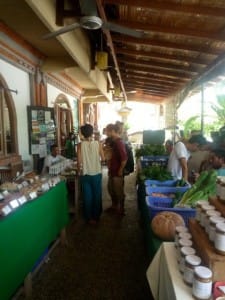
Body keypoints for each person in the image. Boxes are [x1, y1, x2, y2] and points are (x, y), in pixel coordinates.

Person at [77, 124, 105, 225]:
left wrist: (78, 170)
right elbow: (103, 159)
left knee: (87, 196)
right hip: (96, 173)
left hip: (85, 175)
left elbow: (79, 162)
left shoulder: (79, 145)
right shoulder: (98, 144)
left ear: (82, 133)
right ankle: (96, 217)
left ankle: (89, 218)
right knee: (97, 195)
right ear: (92, 132)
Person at [105, 123, 128, 216]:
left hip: (117, 172)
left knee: (119, 192)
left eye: (107, 131)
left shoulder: (119, 143)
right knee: (111, 189)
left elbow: (124, 159)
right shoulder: (113, 141)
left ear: (112, 131)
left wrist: (120, 170)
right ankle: (114, 206)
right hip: (112, 171)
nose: (106, 133)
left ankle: (122, 210)